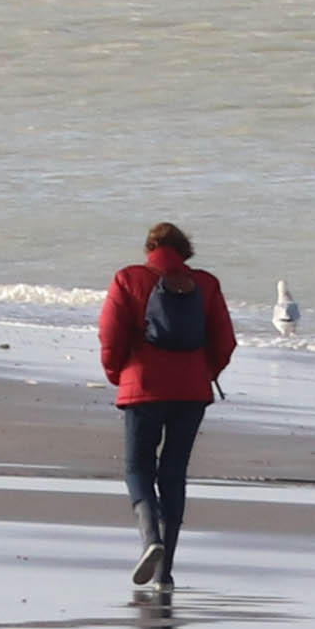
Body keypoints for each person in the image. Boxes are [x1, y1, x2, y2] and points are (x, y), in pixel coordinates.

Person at [96, 222, 238, 595]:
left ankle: (149, 540)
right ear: (185, 250)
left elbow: (110, 337)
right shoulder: (206, 285)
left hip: (141, 388)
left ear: (150, 248)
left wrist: (117, 375)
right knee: (173, 472)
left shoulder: (128, 279)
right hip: (191, 393)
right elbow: (225, 342)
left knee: (137, 467)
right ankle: (165, 573)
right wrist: (204, 372)